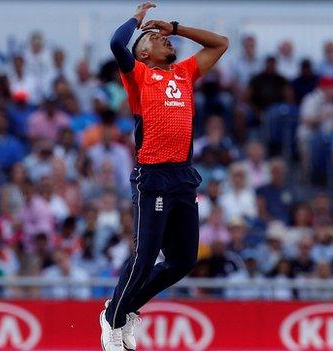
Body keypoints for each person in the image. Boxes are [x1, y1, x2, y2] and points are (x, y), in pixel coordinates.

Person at [100, 3, 229, 350]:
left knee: (184, 259)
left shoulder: (184, 73)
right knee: (145, 255)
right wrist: (138, 21)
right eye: (157, 40)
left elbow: (220, 43)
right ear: (143, 52)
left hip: (183, 176)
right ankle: (113, 321)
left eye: (164, 38)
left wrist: (176, 27)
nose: (165, 42)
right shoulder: (139, 75)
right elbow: (116, 44)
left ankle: (124, 309)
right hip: (153, 176)